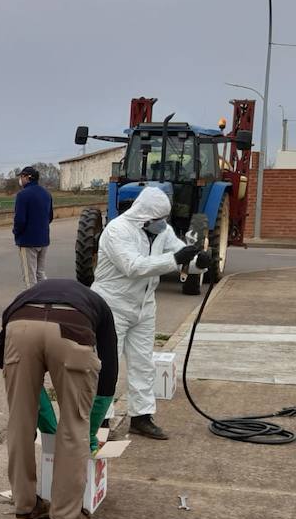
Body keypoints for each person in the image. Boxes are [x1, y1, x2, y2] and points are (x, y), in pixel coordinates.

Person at [0, 279, 119, 519]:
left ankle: (25, 507)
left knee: (19, 422)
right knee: (74, 425)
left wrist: (38, 409)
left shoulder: (26, 296)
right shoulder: (98, 306)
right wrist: (90, 428)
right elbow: (109, 375)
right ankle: (64, 516)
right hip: (73, 330)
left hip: (20, 326)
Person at [90, 188, 209, 440]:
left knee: (144, 363)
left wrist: (200, 262)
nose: (163, 223)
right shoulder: (117, 230)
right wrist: (176, 258)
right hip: (113, 305)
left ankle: (141, 417)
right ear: (144, 215)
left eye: (164, 218)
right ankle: (101, 421)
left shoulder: (162, 231)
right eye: (158, 218)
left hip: (144, 305)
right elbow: (133, 266)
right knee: (106, 365)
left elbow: (182, 255)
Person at [13, 166, 54, 287]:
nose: (20, 179)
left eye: (21, 176)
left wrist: (16, 232)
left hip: (28, 241)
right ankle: (45, 298)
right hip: (43, 240)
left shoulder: (23, 195)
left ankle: (32, 303)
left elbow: (20, 220)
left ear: (27, 177)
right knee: (40, 274)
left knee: (29, 277)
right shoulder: (47, 194)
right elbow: (50, 217)